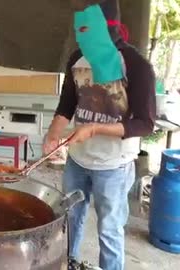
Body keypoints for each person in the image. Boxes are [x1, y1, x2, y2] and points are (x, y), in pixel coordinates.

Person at [43, 1, 155, 270]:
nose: (87, 48)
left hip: (114, 167)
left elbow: (145, 124)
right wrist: (51, 137)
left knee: (109, 231)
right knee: (69, 223)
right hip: (77, 161)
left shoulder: (136, 66)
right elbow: (67, 106)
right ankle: (67, 265)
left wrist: (94, 129)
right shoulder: (76, 59)